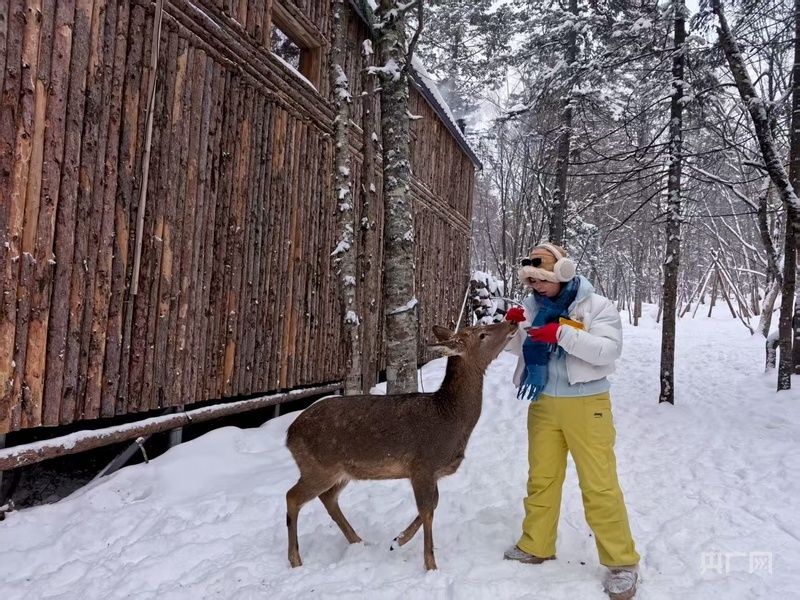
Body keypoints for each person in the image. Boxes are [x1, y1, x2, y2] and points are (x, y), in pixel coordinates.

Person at [502, 243, 640, 600]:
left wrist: (562, 333)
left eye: (542, 279)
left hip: (587, 404)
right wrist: (513, 328)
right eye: (531, 280)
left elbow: (608, 350)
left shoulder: (598, 306)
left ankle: (622, 563)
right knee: (542, 479)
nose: (536, 286)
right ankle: (536, 544)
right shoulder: (533, 307)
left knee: (599, 484)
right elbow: (520, 348)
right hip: (544, 401)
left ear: (563, 273)